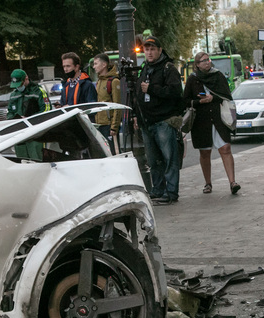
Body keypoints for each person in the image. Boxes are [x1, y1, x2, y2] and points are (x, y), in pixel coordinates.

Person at [134, 35, 183, 205]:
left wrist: (153, 89)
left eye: (152, 49)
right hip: (147, 122)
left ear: (160, 50)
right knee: (153, 161)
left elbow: (176, 92)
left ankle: (171, 192)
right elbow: (138, 94)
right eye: (147, 49)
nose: (149, 52)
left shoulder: (168, 68)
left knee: (169, 159)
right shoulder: (145, 68)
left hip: (164, 120)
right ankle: (158, 190)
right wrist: (136, 116)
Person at [183, 51, 240, 195]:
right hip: (201, 121)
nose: (207, 62)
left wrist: (212, 98)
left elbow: (226, 95)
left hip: (218, 118)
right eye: (204, 61)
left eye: (208, 60)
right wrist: (199, 101)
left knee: (225, 148)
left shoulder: (218, 75)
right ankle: (208, 183)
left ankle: (232, 182)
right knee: (205, 152)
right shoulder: (192, 79)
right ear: (197, 64)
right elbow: (184, 101)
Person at [93, 53, 122, 154]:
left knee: (113, 152)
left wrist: (114, 127)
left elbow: (117, 105)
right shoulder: (99, 82)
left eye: (96, 63)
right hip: (99, 124)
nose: (94, 66)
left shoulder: (113, 81)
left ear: (104, 64)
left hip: (108, 125)